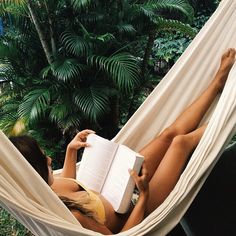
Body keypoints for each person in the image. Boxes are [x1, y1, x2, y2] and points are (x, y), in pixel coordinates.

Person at [10, 48, 236, 234]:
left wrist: (71, 152)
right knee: (180, 143)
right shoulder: (72, 218)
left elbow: (69, 183)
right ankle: (228, 112)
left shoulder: (48, 188)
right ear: (34, 172)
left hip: (120, 185)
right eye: (43, 159)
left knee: (168, 135)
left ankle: (217, 84)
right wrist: (144, 194)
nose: (49, 158)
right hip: (141, 208)